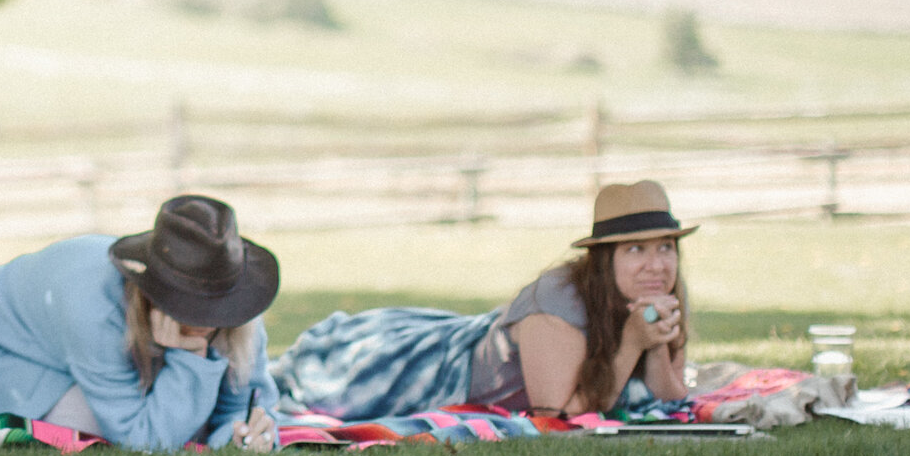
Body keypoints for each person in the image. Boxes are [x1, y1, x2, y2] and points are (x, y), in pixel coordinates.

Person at [275, 182, 692, 419]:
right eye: (635, 250)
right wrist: (632, 344)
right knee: (328, 380)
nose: (655, 264)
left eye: (664, 248)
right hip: (441, 370)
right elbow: (557, 415)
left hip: (473, 336)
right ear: (605, 260)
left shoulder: (660, 296)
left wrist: (653, 345)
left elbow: (671, 398)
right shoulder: (557, 305)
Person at [0, 195, 281, 451]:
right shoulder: (93, 311)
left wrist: (243, 437)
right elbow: (144, 441)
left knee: (181, 422)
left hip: (69, 349)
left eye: (217, 307)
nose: (209, 321)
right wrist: (191, 358)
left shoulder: (239, 313)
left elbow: (242, 408)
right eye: (193, 305)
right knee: (99, 431)